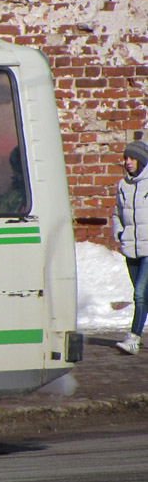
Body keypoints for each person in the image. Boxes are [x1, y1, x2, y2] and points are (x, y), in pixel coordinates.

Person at [111, 138, 148, 355]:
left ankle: (133, 338)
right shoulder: (123, 185)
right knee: (143, 294)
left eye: (132, 158)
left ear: (142, 161)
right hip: (130, 248)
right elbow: (116, 212)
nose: (128, 162)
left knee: (140, 295)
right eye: (126, 158)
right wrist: (118, 231)